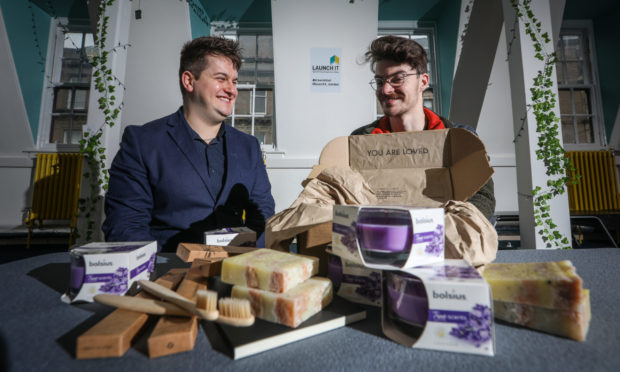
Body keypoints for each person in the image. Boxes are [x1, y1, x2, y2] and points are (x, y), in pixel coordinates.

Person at [102, 36, 275, 251]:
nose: (232, 90)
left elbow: (263, 213)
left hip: (235, 269)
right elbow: (126, 225)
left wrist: (248, 260)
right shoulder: (142, 143)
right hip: (168, 273)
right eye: (221, 79)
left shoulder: (248, 147)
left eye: (234, 81)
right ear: (189, 81)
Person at [351, 35, 495, 219]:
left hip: (444, 242)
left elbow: (482, 198)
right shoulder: (361, 139)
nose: (385, 90)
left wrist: (449, 229)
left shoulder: (460, 138)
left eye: (397, 79)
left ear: (423, 82)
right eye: (380, 81)